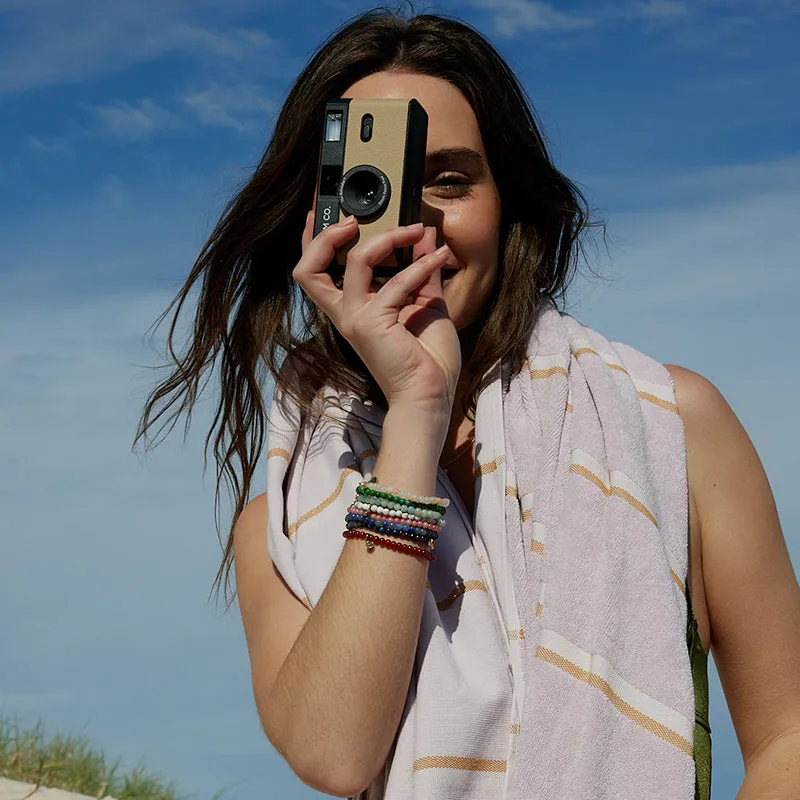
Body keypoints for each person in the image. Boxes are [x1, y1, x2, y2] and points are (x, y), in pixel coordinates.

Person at [135, 8, 800, 800]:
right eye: (370, 186)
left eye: (450, 179)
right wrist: (418, 409)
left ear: (509, 205)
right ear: (311, 224)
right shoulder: (275, 527)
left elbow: (789, 735)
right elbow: (335, 754)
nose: (414, 220)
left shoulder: (671, 422)